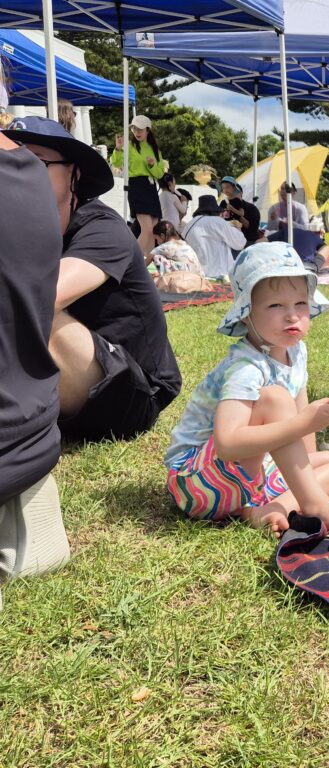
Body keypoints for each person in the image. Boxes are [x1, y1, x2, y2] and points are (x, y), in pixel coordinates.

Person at [3, 117, 181, 443]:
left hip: (135, 391)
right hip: (73, 377)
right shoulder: (20, 226)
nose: (16, 172)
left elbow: (43, 298)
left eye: (34, 162)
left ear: (74, 174)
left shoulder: (101, 228)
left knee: (29, 299)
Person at [164, 242, 329, 535]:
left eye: (301, 303)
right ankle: (315, 504)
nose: (292, 315)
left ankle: (270, 507)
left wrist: (308, 432)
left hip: (246, 473)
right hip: (197, 479)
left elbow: (303, 430)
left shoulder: (297, 352)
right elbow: (228, 443)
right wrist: (304, 422)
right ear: (245, 314)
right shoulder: (246, 367)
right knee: (275, 398)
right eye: (276, 305)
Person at [0, 68, 70, 604]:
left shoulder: (104, 232)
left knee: (66, 323)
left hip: (118, 384)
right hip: (32, 425)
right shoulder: (25, 178)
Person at [110, 115, 164, 256]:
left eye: (140, 129)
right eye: (134, 128)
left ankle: (147, 262)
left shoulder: (155, 150)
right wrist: (118, 148)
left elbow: (159, 174)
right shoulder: (129, 145)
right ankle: (133, 263)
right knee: (146, 229)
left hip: (151, 187)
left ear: (148, 130)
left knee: (153, 230)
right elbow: (116, 163)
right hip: (136, 186)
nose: (137, 132)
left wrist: (152, 165)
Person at [182, 194, 246, 278]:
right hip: (221, 273)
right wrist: (237, 229)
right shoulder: (218, 222)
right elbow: (240, 242)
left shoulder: (189, 224)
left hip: (197, 273)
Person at [219, 175, 262, 246]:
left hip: (247, 241)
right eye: (224, 188)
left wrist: (235, 213)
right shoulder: (223, 203)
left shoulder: (252, 208)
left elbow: (252, 229)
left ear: (241, 193)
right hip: (228, 240)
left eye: (237, 192)